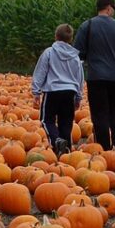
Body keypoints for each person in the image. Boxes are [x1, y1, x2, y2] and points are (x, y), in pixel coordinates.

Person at [73, 0, 115, 151]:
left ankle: (104, 148)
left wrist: (89, 64)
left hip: (96, 78)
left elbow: (77, 54)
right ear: (108, 8)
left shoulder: (87, 26)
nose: (113, 12)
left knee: (100, 114)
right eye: (113, 9)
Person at [31, 23, 83, 155]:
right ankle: (66, 151)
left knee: (46, 120)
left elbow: (40, 72)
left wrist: (36, 92)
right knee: (66, 122)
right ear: (71, 39)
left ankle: (56, 141)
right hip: (70, 92)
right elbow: (80, 77)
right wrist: (78, 96)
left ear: (56, 36)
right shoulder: (75, 56)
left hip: (53, 91)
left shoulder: (49, 52)